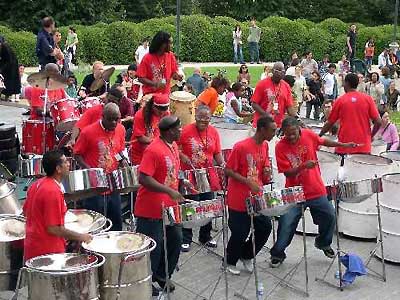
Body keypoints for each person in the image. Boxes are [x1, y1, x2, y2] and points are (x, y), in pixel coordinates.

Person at [269, 117, 357, 268]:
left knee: (330, 216)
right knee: (286, 224)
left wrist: (343, 145)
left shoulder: (308, 135)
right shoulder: (280, 147)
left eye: (293, 133)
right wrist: (303, 166)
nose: (290, 137)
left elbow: (323, 142)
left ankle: (323, 243)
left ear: (299, 130)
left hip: (315, 188)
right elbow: (288, 173)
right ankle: (277, 253)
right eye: (287, 134)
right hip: (294, 192)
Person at [135, 115, 184, 295]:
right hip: (151, 209)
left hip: (170, 208)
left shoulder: (174, 146)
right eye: (178, 128)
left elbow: (171, 172)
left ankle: (163, 275)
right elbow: (143, 178)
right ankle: (145, 283)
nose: (181, 130)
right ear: (170, 131)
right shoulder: (153, 150)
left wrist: (181, 183)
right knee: (153, 249)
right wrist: (168, 190)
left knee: (175, 240)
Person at [224, 116, 276, 275]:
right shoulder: (241, 147)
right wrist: (247, 182)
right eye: (272, 130)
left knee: (265, 227)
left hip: (256, 198)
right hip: (238, 198)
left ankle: (247, 255)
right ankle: (229, 261)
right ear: (262, 129)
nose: (275, 133)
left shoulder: (265, 145)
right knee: (240, 233)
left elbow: (264, 164)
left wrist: (267, 171)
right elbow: (228, 170)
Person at [23, 150, 92, 261]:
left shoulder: (36, 185)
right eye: (65, 162)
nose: (69, 164)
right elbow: (53, 229)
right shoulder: (52, 191)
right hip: (48, 253)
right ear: (58, 169)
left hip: (32, 248)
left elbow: (26, 212)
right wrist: (81, 236)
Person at [74, 103, 127, 231]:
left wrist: (123, 160)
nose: (114, 122)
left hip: (113, 186)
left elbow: (119, 150)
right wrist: (90, 170)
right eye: (110, 119)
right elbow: (77, 154)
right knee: (96, 225)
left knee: (116, 225)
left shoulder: (121, 129)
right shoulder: (88, 132)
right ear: (102, 116)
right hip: (95, 187)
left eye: (117, 119)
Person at [178, 106, 224, 251]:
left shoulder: (214, 132)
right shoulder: (185, 131)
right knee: (190, 206)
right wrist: (181, 155)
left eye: (207, 118)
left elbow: (217, 153)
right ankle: (186, 238)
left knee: (207, 205)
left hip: (207, 174)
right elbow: (175, 147)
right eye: (200, 118)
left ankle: (205, 236)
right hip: (190, 174)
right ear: (196, 116)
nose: (203, 121)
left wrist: (223, 165)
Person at [320, 73, 382, 156]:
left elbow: (330, 122)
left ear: (347, 83)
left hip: (344, 146)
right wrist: (371, 135)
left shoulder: (340, 100)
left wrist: (319, 135)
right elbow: (378, 121)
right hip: (364, 147)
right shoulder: (368, 99)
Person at [251, 62, 296, 129]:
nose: (279, 73)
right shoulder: (262, 84)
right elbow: (254, 104)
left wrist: (297, 119)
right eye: (277, 71)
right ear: (272, 71)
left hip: (277, 126)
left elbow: (289, 107)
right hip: (261, 126)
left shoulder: (286, 86)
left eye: (282, 71)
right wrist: (266, 115)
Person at [137, 31, 182, 95]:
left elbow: (173, 74)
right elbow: (140, 78)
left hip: (166, 95)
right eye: (170, 43)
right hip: (150, 95)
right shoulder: (147, 58)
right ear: (162, 44)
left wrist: (177, 76)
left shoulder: (171, 56)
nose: (172, 46)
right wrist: (155, 84)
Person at [130, 93, 170, 165]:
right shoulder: (140, 115)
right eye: (159, 109)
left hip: (158, 153)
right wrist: (157, 142)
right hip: (140, 155)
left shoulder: (166, 114)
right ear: (153, 106)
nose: (162, 112)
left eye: (164, 109)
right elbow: (140, 138)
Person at [0, 36, 21, 102]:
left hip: (11, 67)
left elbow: (9, 60)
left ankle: (7, 97)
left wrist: (1, 69)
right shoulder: (3, 47)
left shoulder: (5, 47)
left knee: (8, 83)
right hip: (7, 65)